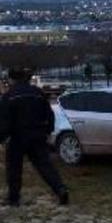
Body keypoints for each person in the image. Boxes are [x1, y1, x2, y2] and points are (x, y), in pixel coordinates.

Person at [0, 67, 69, 207]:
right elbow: (49, 114)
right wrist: (48, 131)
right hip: (37, 135)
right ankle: (60, 189)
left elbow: (4, 120)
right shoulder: (38, 93)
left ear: (11, 79)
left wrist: (2, 137)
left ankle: (14, 199)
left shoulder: (9, 96)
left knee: (14, 168)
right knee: (45, 165)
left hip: (17, 138)